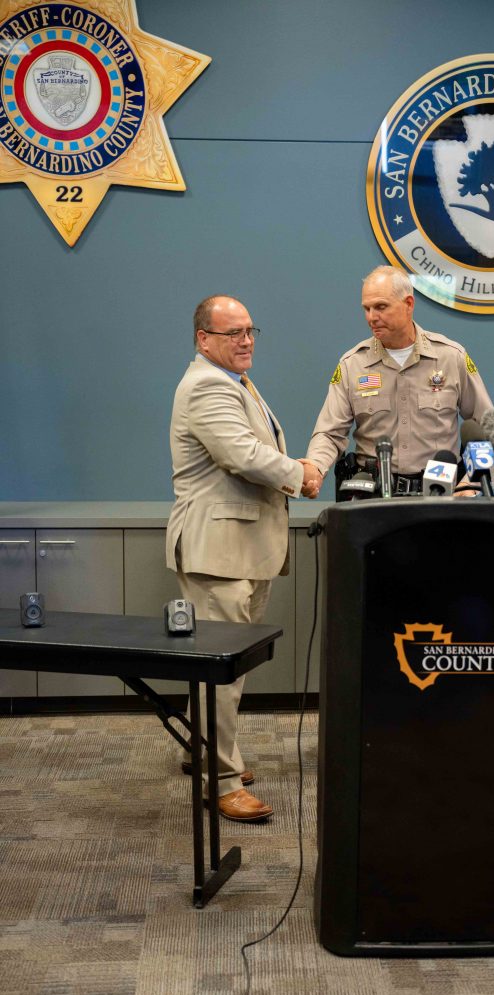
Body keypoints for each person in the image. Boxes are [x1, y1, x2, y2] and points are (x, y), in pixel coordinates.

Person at [166, 295, 319, 821]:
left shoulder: (232, 379)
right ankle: (221, 780)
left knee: (224, 666)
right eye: (233, 333)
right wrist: (302, 474)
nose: (246, 340)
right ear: (203, 339)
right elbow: (241, 455)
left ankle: (203, 752)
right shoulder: (207, 384)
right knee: (221, 673)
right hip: (219, 551)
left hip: (240, 549)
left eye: (251, 330)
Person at [305, 265, 493, 494]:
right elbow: (329, 433)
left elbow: (485, 426)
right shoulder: (352, 365)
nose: (372, 317)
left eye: (381, 307)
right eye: (367, 309)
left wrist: (472, 482)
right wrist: (315, 467)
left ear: (408, 304)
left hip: (441, 497)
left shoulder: (450, 357)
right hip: (374, 499)